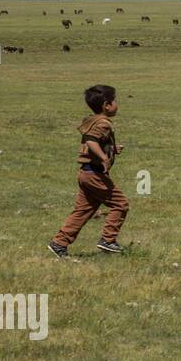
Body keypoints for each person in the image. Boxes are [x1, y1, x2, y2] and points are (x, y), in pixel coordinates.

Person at [48, 84, 129, 257]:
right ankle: (108, 240)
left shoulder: (93, 120)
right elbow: (91, 141)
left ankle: (59, 243)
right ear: (107, 105)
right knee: (120, 204)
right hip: (94, 174)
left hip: (86, 173)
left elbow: (93, 141)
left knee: (83, 211)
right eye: (114, 101)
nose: (116, 104)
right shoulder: (103, 124)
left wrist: (112, 149)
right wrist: (103, 157)